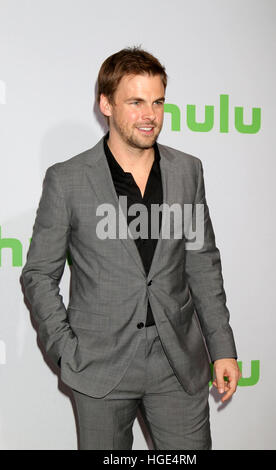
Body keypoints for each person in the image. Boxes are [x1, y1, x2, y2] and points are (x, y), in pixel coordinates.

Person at [21, 46, 241, 450]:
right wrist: (67, 350)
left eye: (157, 102)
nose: (150, 115)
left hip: (177, 362)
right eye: (136, 101)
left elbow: (202, 264)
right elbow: (38, 274)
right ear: (105, 104)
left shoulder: (186, 171)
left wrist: (222, 347)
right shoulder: (67, 179)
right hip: (99, 364)